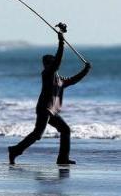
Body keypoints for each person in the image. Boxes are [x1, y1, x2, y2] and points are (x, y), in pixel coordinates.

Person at [8, 31, 91, 165]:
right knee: (38, 134)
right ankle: (15, 150)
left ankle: (62, 158)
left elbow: (74, 79)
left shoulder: (60, 80)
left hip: (52, 111)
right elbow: (57, 62)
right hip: (44, 109)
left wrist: (86, 70)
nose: (50, 65)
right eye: (49, 63)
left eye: (51, 63)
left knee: (65, 130)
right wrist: (61, 42)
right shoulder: (47, 74)